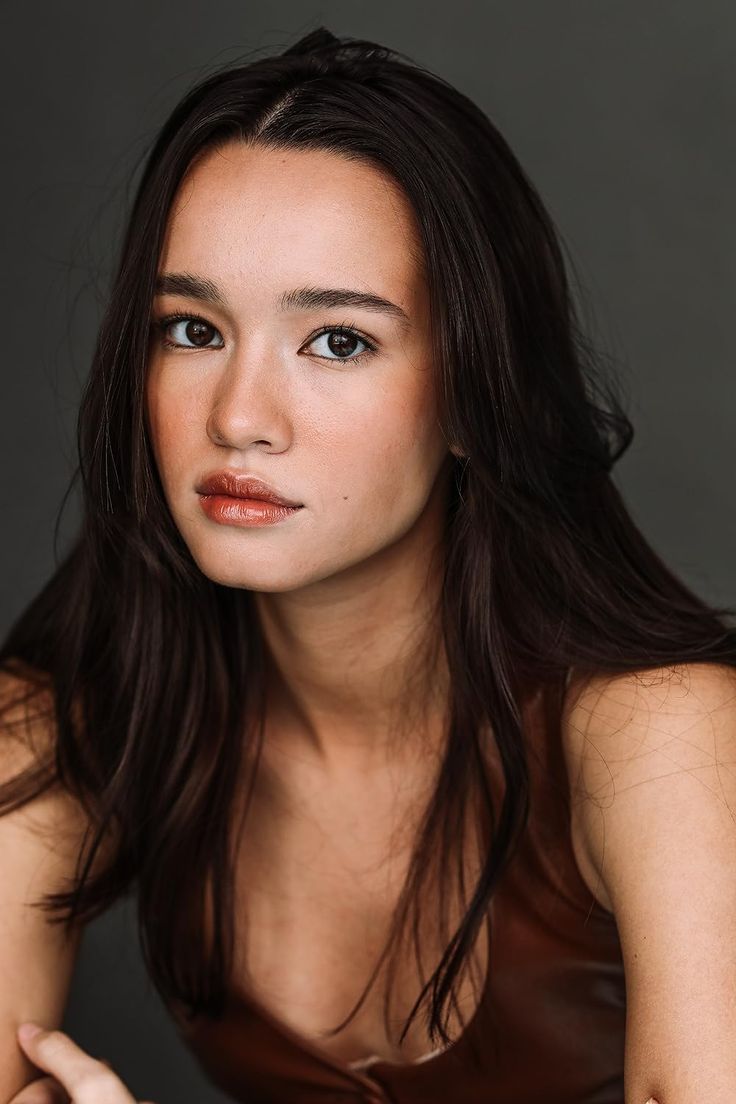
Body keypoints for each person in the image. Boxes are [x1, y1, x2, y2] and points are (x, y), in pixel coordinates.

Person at [1, 24, 735, 1104]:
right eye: (190, 329)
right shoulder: (53, 728)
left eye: (337, 340)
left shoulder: (660, 735)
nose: (239, 417)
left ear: (474, 401)